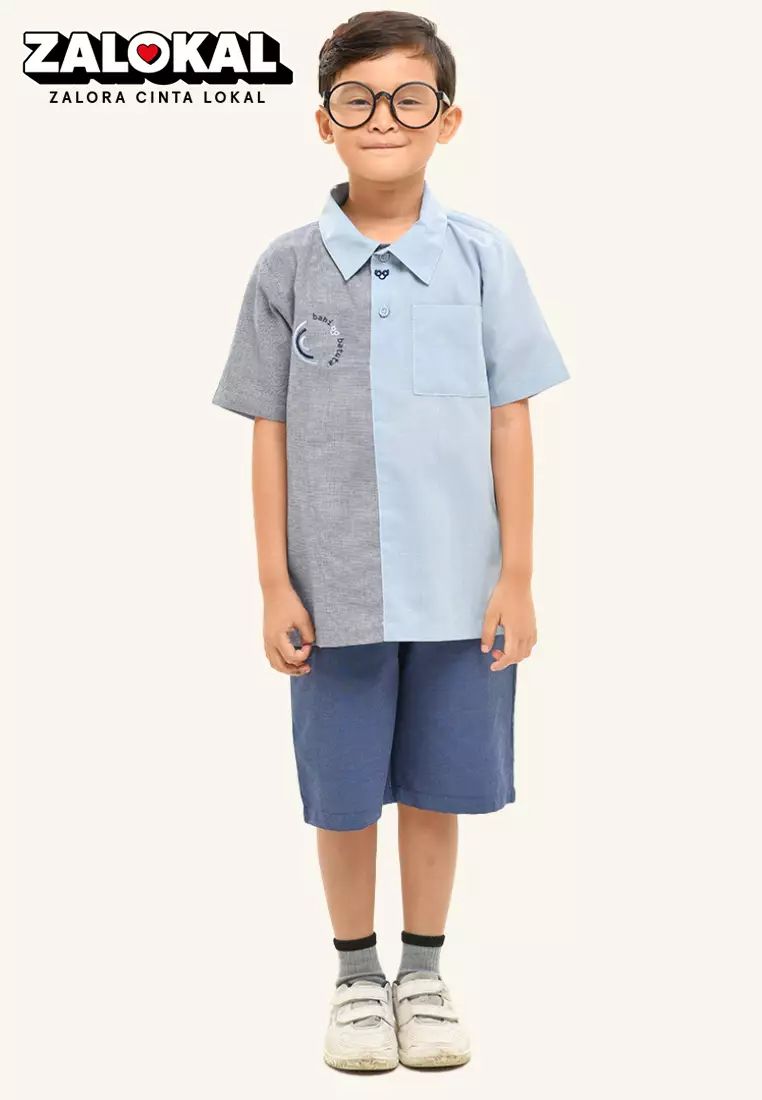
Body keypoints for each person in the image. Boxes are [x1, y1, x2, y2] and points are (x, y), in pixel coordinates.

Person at [212, 11, 570, 1073]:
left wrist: (517, 575)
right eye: (358, 100)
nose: (384, 119)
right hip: (333, 591)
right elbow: (269, 430)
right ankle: (355, 974)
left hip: (461, 589)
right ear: (323, 122)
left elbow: (511, 416)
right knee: (343, 789)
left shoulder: (482, 257)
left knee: (437, 784)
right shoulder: (287, 268)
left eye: (410, 99)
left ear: (446, 120)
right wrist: (274, 581)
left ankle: (424, 969)